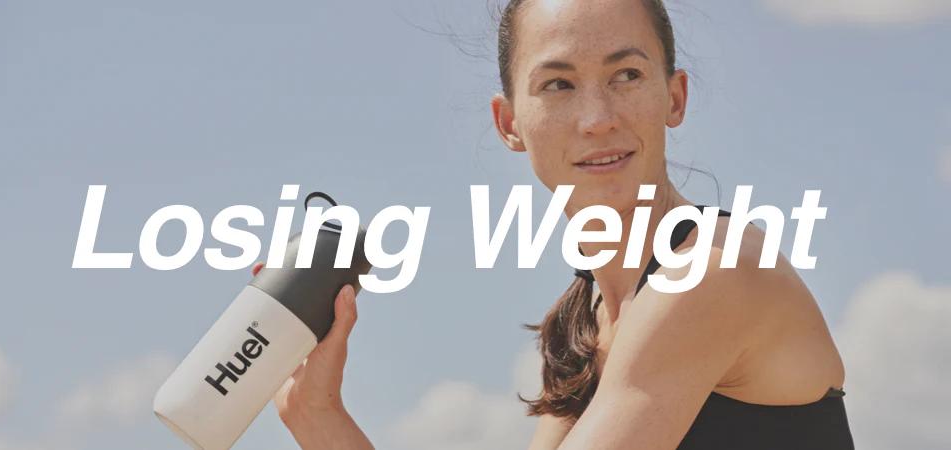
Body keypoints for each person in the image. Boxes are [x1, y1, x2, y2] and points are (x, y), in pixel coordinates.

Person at [252, 0, 855, 448]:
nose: (597, 118)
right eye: (558, 85)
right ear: (509, 123)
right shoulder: (582, 323)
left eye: (627, 75)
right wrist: (315, 410)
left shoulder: (714, 272)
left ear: (674, 98)